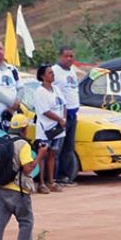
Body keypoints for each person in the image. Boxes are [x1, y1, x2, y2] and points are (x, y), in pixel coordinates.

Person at [33, 64, 67, 193]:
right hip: (45, 129)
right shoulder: (40, 92)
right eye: (49, 73)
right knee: (42, 155)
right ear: (42, 76)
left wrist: (63, 119)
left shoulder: (56, 89)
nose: (52, 75)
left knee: (53, 154)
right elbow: (45, 111)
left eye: (53, 72)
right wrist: (59, 120)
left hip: (58, 129)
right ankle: (41, 183)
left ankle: (52, 181)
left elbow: (64, 104)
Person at [51, 46, 81, 186]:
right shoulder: (54, 71)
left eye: (71, 56)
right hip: (61, 115)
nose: (70, 59)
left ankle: (66, 176)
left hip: (73, 114)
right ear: (60, 57)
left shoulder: (73, 71)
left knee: (69, 147)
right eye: (67, 56)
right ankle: (55, 178)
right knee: (58, 148)